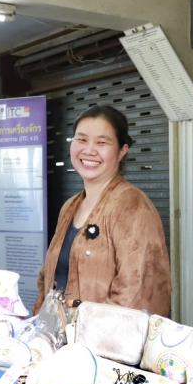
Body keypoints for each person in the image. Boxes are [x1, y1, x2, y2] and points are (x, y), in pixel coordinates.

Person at [35, 105, 171, 316]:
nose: (89, 150)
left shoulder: (132, 206)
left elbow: (135, 295)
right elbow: (47, 280)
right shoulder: (70, 206)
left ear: (122, 150)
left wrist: (84, 344)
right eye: (81, 139)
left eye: (101, 142)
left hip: (104, 345)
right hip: (59, 342)